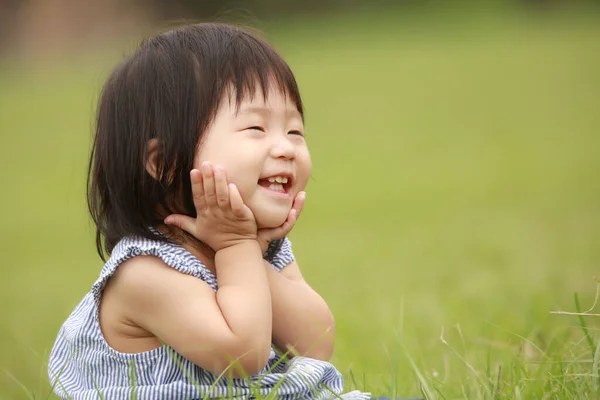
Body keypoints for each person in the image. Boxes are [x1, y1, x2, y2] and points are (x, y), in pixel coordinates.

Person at [47, 22, 375, 399]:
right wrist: (236, 246)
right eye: (256, 127)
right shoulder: (143, 275)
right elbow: (243, 356)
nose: (286, 148)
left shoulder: (255, 245)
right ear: (166, 162)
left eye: (295, 132)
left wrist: (251, 251)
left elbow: (315, 344)